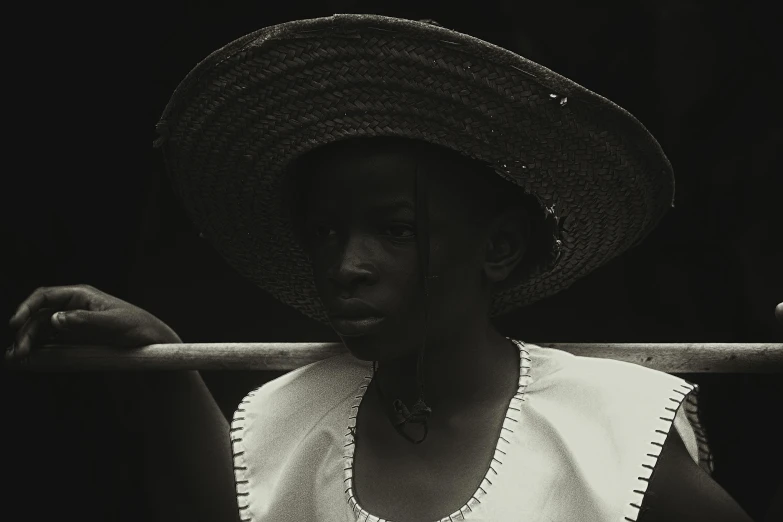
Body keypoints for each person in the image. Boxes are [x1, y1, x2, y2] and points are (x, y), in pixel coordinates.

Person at [6, 14, 765, 522]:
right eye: (327, 231)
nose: (346, 265)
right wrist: (161, 360)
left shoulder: (609, 424)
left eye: (395, 230)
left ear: (496, 249)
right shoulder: (284, 419)